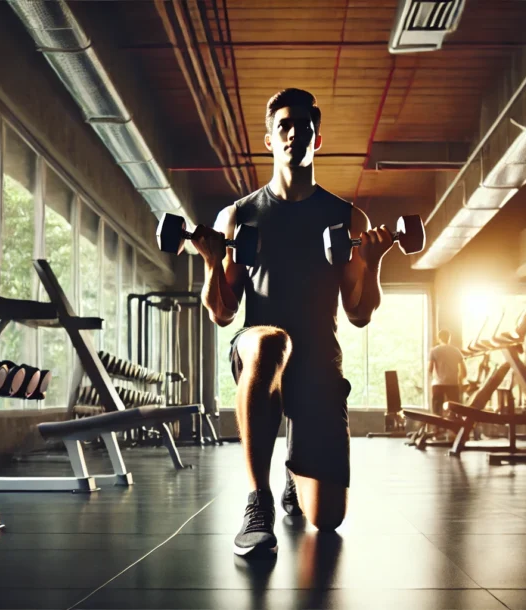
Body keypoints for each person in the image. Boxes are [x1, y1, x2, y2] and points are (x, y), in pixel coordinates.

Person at [191, 88, 393, 558]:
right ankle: (257, 502)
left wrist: (375, 261)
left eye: (303, 127)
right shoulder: (240, 215)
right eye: (285, 125)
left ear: (317, 139)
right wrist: (209, 261)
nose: (294, 133)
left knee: (327, 520)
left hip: (320, 365)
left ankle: (291, 469)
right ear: (270, 139)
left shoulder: (346, 216)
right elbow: (222, 313)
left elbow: (359, 315)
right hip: (258, 348)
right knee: (271, 343)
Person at [428, 329, 466, 416]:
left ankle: (437, 428)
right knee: (455, 411)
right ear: (449, 338)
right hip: (452, 383)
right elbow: (463, 371)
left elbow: (430, 369)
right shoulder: (456, 351)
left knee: (437, 411)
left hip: (438, 384)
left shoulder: (434, 351)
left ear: (439, 338)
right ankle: (455, 427)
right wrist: (460, 379)